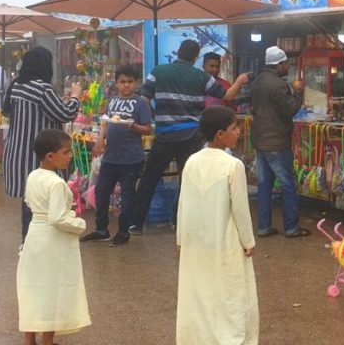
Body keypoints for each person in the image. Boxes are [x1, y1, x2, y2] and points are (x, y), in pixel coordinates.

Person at [129, 39, 249, 234]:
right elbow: (227, 95)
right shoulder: (201, 77)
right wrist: (240, 80)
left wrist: (155, 117)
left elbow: (143, 100)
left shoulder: (158, 71)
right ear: (195, 58)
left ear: (178, 53)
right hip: (191, 136)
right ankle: (180, 221)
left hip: (165, 135)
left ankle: (136, 223)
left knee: (149, 178)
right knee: (188, 180)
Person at [175, 106, 258, 344]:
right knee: (229, 291)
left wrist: (181, 237)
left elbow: (183, 202)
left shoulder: (191, 161)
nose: (239, 132)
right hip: (226, 241)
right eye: (234, 128)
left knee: (200, 291)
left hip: (195, 241)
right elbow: (241, 210)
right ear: (220, 134)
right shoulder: (233, 165)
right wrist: (248, 242)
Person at [17, 128, 91, 345]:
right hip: (53, 239)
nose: (70, 156)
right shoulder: (57, 183)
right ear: (51, 156)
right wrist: (80, 224)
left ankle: (29, 339)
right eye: (66, 152)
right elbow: (58, 218)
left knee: (34, 287)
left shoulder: (33, 175)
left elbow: (30, 204)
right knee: (52, 289)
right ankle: (47, 340)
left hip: (35, 235)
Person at [2, 47, 80, 241]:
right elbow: (65, 113)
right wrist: (75, 97)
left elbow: (7, 111)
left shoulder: (17, 85)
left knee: (30, 198)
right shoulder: (42, 88)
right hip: (40, 153)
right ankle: (37, 242)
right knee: (44, 199)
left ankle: (26, 241)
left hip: (18, 151)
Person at [83, 64, 152, 247]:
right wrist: (99, 141)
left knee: (128, 196)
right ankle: (101, 229)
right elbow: (105, 123)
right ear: (117, 83)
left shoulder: (141, 103)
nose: (126, 85)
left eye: (130, 81)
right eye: (123, 82)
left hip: (131, 159)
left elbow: (147, 128)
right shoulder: (112, 101)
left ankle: (123, 232)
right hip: (110, 158)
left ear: (136, 83)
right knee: (101, 192)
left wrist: (133, 126)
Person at [250, 46, 309, 238]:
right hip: (276, 142)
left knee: (264, 185)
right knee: (287, 184)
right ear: (279, 64)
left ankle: (264, 226)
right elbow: (291, 109)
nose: (288, 67)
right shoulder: (278, 85)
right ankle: (291, 227)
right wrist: (298, 92)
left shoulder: (258, 81)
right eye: (286, 64)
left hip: (260, 140)